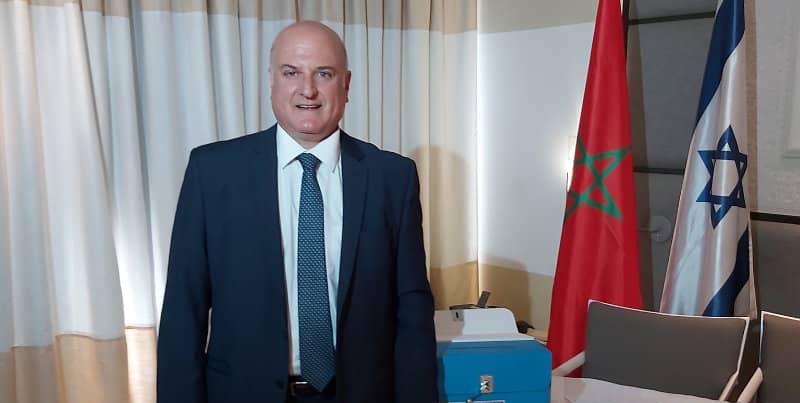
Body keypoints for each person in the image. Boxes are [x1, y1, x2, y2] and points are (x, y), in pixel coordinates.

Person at [156, 21, 437, 403]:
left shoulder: (392, 178)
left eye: (324, 73)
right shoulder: (213, 172)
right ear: (272, 81)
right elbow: (182, 312)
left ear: (346, 85)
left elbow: (412, 313)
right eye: (292, 73)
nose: (308, 89)